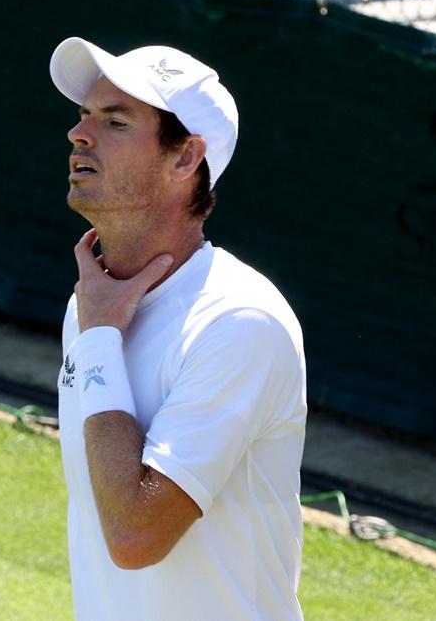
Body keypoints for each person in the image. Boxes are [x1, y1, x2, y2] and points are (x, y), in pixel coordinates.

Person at [49, 38, 306, 620]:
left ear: (186, 159)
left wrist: (98, 341)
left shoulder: (241, 321)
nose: (78, 134)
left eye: (115, 121)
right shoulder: (93, 303)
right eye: (83, 115)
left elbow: (134, 535)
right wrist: (97, 332)